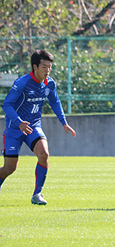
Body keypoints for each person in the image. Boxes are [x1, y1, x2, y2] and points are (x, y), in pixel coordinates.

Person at [0, 50, 76, 205]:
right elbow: (6, 104)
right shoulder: (22, 83)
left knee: (44, 153)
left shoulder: (50, 83)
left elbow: (55, 102)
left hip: (33, 127)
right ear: (35, 66)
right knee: (9, 168)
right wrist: (19, 122)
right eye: (44, 67)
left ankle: (37, 194)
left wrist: (64, 122)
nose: (47, 70)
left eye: (49, 67)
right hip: (15, 129)